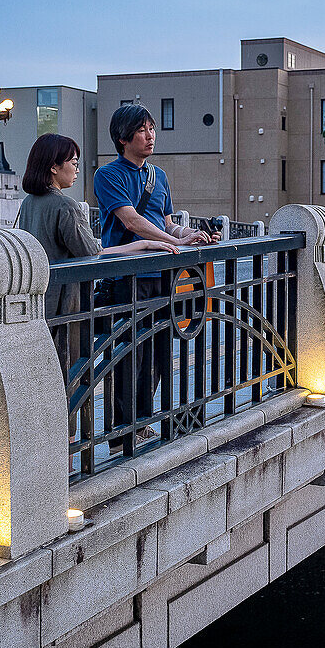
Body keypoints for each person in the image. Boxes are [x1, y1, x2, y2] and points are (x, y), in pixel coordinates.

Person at [18, 133, 178, 454]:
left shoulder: (29, 204)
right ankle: (69, 455)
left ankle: (42, 451)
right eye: (73, 163)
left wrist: (145, 242)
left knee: (42, 380)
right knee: (70, 378)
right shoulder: (65, 205)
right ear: (53, 168)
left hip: (37, 303)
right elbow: (92, 253)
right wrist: (143, 244)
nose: (77, 170)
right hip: (69, 305)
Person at [93, 104, 218, 447]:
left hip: (164, 274)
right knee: (129, 354)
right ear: (123, 137)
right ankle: (122, 431)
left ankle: (147, 421)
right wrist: (177, 240)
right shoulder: (108, 175)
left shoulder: (157, 175)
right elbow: (131, 220)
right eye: (143, 130)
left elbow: (164, 220)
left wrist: (188, 232)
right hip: (128, 275)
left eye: (152, 129)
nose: (150, 136)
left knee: (161, 349)